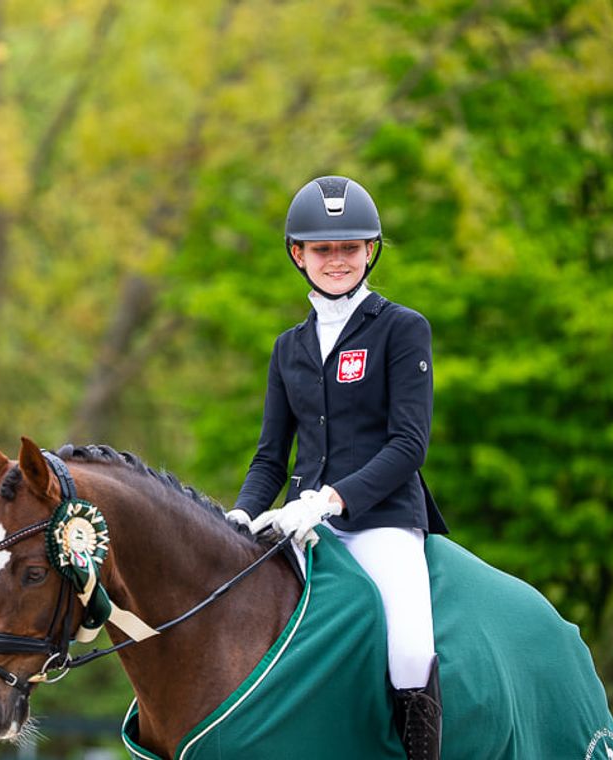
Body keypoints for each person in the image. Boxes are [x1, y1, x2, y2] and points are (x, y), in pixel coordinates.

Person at [224, 175, 449, 760]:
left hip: (382, 522)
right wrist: (242, 514)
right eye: (323, 249)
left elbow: (408, 445)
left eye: (350, 247)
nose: (337, 260)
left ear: (369, 250)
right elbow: (272, 456)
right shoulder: (287, 348)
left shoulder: (402, 329)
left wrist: (332, 500)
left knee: (408, 645)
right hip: (299, 522)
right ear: (299, 254)